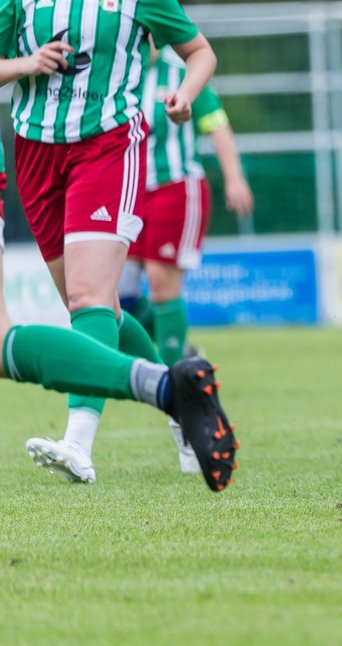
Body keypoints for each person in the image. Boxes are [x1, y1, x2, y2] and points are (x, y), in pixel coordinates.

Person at [0, 0, 218, 483]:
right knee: (97, 313)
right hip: (36, 153)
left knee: (93, 296)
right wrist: (24, 64)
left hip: (109, 145)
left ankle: (79, 442)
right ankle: (182, 403)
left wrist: (184, 93)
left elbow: (200, 51)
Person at [86, 43, 253, 474]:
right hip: (126, 192)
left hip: (176, 189)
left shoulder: (183, 70)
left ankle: (179, 378)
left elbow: (215, 123)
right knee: (114, 298)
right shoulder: (117, 68)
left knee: (163, 288)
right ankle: (175, 365)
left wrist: (234, 178)